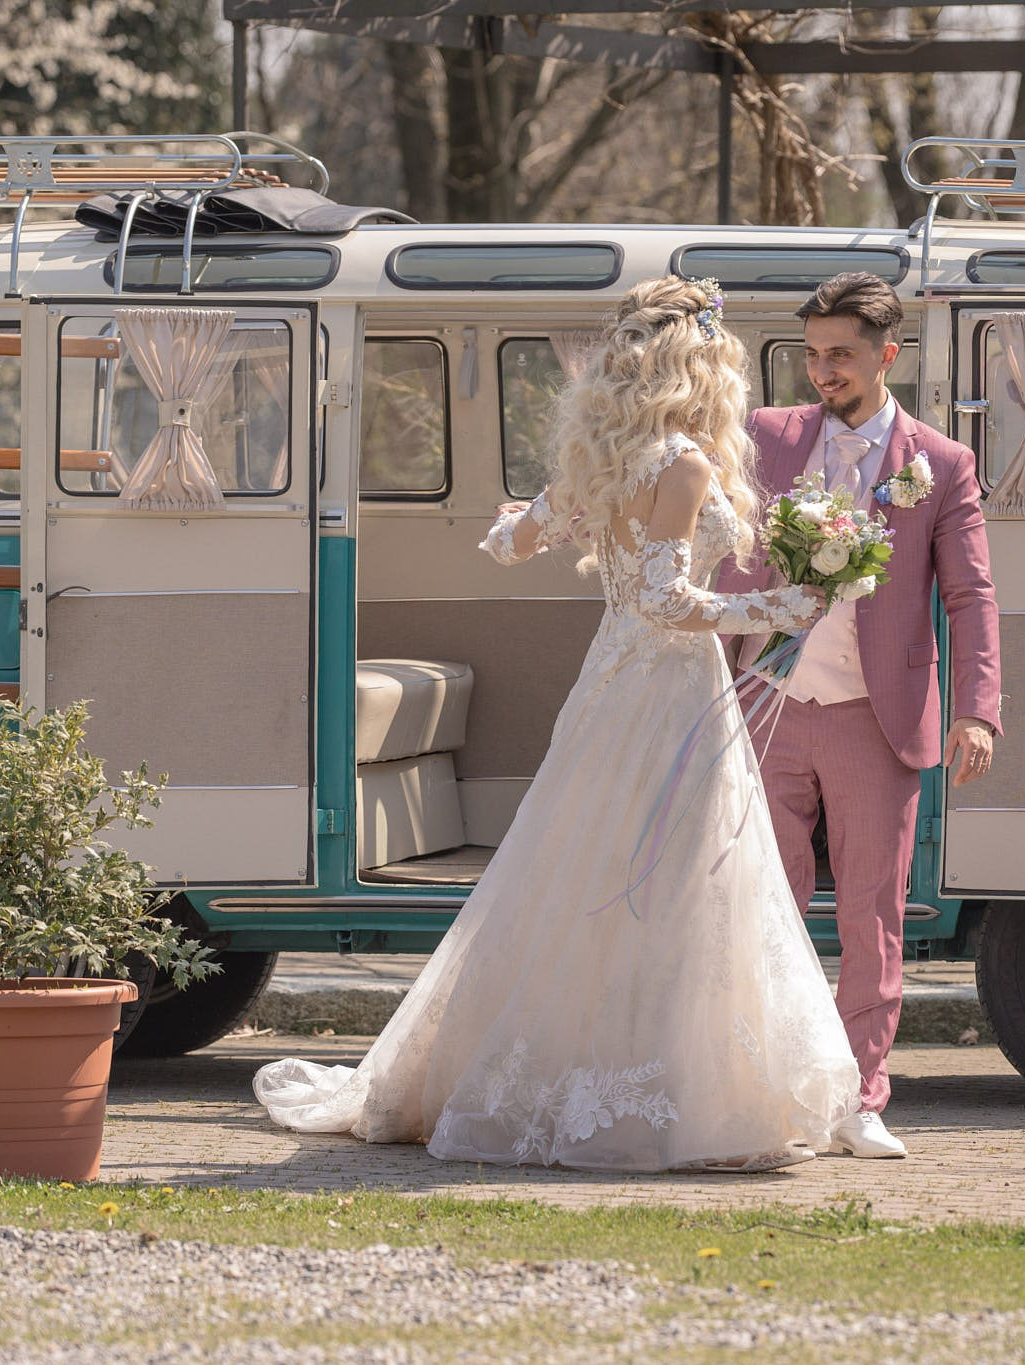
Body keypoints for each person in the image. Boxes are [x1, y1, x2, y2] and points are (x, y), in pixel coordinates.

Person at [255, 276, 861, 1172]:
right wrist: (775, 603)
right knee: (671, 878)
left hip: (609, 685)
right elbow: (664, 598)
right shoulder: (683, 462)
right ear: (693, 367)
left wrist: (519, 523)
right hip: (665, 690)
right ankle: (655, 1090)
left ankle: (572, 1071)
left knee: (580, 871)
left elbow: (513, 542)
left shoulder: (607, 457)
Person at [719, 271, 1002, 1159]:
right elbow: (716, 542)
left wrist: (979, 711)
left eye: (839, 354)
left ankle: (859, 1096)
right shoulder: (765, 437)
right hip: (765, 698)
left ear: (888, 355)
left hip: (875, 715)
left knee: (872, 913)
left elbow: (971, 595)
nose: (821, 370)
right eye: (810, 354)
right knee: (766, 902)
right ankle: (765, 1085)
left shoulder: (940, 464)